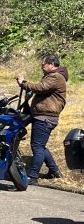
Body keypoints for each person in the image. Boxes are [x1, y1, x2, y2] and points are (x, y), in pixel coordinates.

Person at [17, 55, 68, 185]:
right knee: (40, 146)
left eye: (43, 64)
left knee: (37, 147)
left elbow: (41, 87)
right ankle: (54, 172)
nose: (41, 66)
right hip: (43, 116)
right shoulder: (53, 76)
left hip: (45, 117)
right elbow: (42, 87)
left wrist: (24, 83)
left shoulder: (56, 77)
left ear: (51, 64)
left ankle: (33, 176)